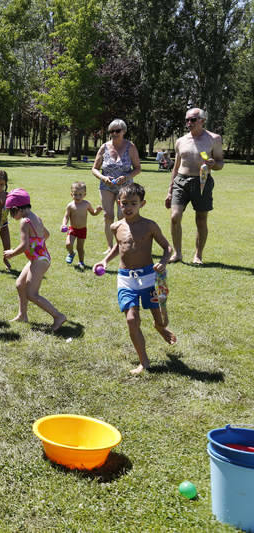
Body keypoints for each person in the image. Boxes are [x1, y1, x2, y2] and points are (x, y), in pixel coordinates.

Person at [94, 183, 177, 374]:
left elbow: (168, 247)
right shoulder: (116, 226)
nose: (128, 207)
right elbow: (119, 246)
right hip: (125, 280)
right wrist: (105, 260)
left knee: (160, 320)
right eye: (124, 203)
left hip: (148, 278)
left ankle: (159, 327)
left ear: (142, 204)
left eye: (133, 203)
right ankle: (144, 362)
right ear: (118, 203)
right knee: (132, 320)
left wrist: (164, 261)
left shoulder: (149, 226)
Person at [165, 107, 223, 265]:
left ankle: (198, 255)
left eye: (192, 120)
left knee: (201, 219)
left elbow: (220, 163)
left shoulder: (214, 138)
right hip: (181, 181)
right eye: (187, 120)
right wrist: (170, 190)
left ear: (202, 121)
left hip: (202, 181)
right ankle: (177, 253)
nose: (188, 123)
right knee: (174, 217)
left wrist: (213, 164)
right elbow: (176, 167)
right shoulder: (181, 141)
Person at [3, 188, 66, 331]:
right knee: (20, 284)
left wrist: (12, 253)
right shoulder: (36, 217)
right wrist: (37, 244)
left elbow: (24, 245)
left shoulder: (25, 222)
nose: (11, 215)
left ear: (16, 209)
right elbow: (47, 235)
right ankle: (22, 315)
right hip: (40, 257)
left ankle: (58, 316)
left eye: (10, 212)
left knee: (32, 294)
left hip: (39, 260)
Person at [91, 119, 142, 254]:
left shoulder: (130, 147)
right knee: (108, 215)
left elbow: (138, 168)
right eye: (111, 131)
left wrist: (126, 177)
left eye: (117, 131)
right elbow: (94, 169)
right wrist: (103, 178)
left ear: (124, 131)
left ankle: (123, 243)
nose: (114, 133)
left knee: (123, 215)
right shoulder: (104, 147)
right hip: (106, 185)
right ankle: (110, 246)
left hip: (125, 187)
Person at [61, 181, 102, 269]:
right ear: (71, 194)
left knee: (80, 247)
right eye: (75, 194)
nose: (77, 197)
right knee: (68, 244)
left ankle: (81, 262)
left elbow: (93, 213)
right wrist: (64, 224)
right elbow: (66, 216)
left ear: (84, 194)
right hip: (72, 229)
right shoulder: (70, 205)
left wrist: (97, 211)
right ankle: (71, 253)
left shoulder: (86, 204)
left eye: (80, 194)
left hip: (82, 229)